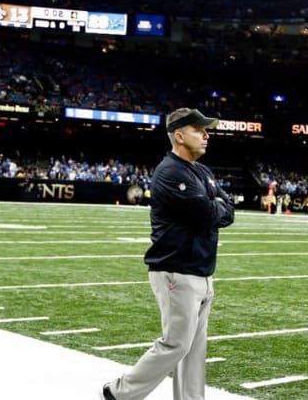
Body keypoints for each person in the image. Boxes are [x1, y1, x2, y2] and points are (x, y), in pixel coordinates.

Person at [100, 108, 235, 400]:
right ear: (179, 135)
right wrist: (215, 208)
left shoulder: (202, 171)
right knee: (175, 344)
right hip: (176, 269)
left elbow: (228, 212)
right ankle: (117, 394)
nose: (206, 134)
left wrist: (215, 208)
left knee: (194, 350)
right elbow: (206, 214)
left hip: (201, 269)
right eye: (199, 129)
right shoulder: (170, 172)